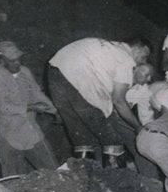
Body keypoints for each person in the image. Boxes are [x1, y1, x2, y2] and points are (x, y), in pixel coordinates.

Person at [47, 35, 153, 170]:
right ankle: (114, 183)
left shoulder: (106, 45)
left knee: (82, 139)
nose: (141, 61)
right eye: (144, 57)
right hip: (80, 81)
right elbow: (119, 101)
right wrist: (137, 126)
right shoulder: (125, 59)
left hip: (55, 72)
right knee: (112, 140)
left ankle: (84, 180)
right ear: (139, 48)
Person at [0, 40, 58, 176]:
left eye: (19, 59)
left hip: (31, 132)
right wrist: (31, 108)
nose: (17, 63)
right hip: (10, 136)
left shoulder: (25, 72)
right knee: (13, 181)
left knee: (55, 173)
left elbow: (37, 93)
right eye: (12, 60)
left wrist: (54, 111)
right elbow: (4, 108)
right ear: (2, 60)